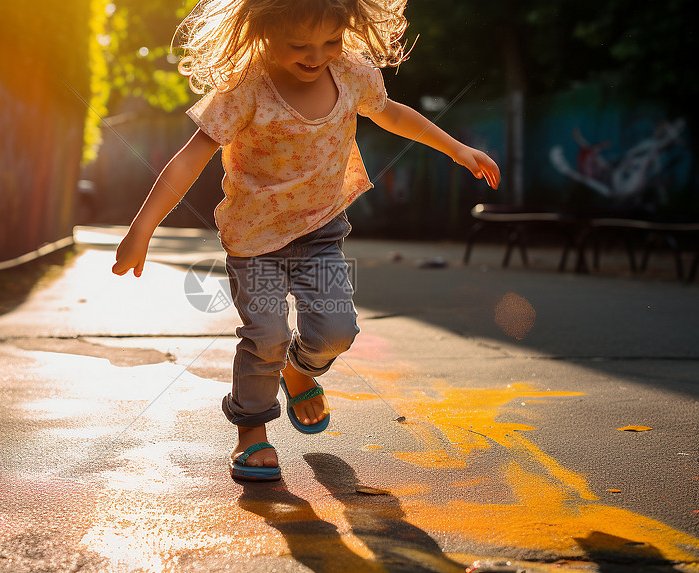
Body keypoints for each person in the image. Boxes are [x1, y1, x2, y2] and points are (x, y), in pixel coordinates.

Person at [112, 0, 500, 481]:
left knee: (337, 332)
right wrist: (140, 231)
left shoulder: (351, 73)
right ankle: (252, 434)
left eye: (331, 41)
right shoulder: (245, 87)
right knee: (265, 337)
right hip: (253, 240)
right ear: (264, 33)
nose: (317, 55)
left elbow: (393, 115)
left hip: (320, 231)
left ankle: (299, 372)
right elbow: (190, 160)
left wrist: (458, 150)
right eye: (299, 45)